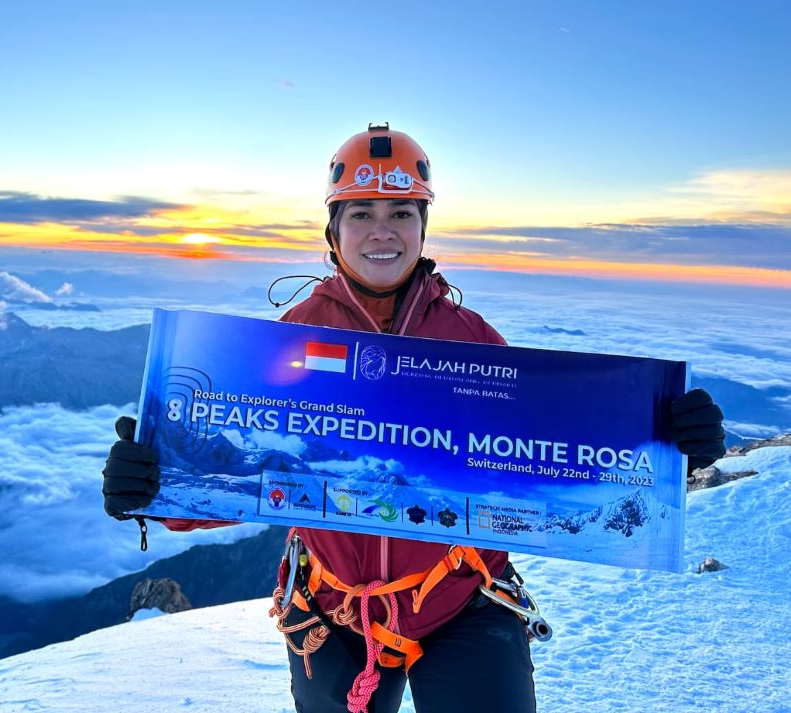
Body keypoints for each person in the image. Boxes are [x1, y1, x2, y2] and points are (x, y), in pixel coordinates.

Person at [102, 123, 727, 713]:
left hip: (462, 598)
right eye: (362, 214)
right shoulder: (287, 345)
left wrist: (664, 451)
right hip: (333, 611)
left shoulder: (472, 342)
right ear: (333, 232)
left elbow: (542, 452)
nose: (383, 231)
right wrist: (154, 488)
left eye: (401, 213)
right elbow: (249, 465)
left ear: (423, 227)